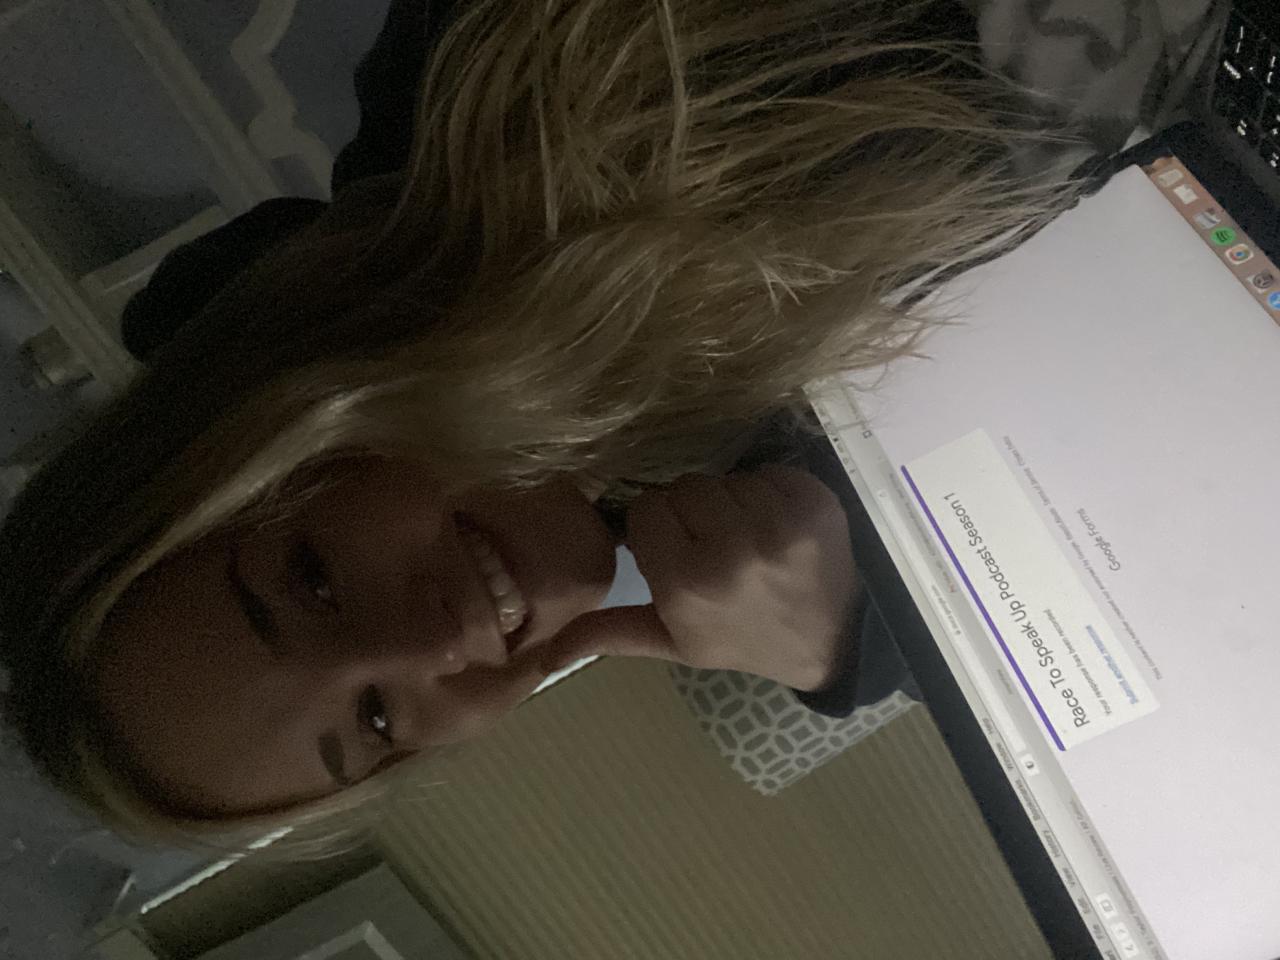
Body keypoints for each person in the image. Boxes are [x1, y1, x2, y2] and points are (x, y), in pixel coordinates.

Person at [0, 0, 1067, 850]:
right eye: (376, 722)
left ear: (261, 418)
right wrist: (856, 641)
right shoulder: (714, 527)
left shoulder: (529, 68)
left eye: (312, 579)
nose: (426, 644)